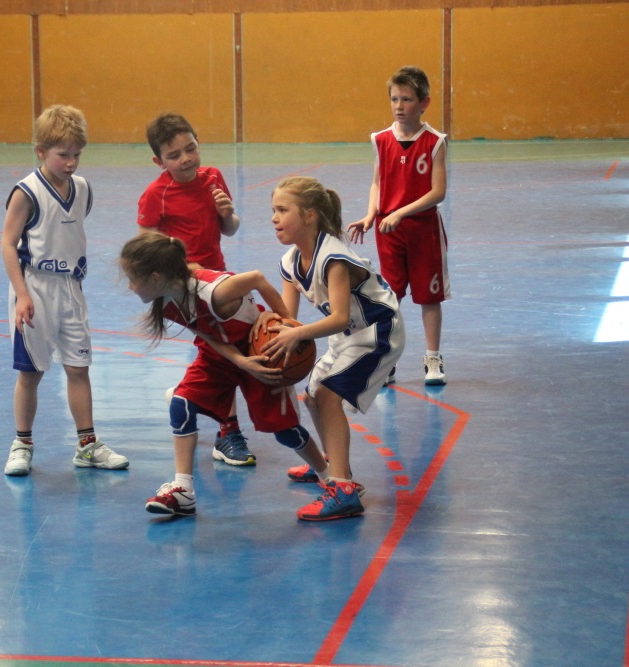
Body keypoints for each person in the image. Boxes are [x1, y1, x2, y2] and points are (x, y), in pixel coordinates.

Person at [119, 232, 335, 519]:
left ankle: (329, 476)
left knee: (285, 431)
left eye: (132, 279)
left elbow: (257, 278)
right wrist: (240, 362)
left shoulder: (215, 291)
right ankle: (183, 490)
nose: (130, 286)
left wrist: (288, 324)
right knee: (181, 403)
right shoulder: (167, 301)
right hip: (222, 355)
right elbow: (207, 335)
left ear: (156, 277)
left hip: (261, 349)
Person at [255, 177, 405, 521]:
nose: (274, 218)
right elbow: (289, 317)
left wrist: (296, 334)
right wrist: (269, 326)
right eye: (273, 210)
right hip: (348, 335)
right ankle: (332, 467)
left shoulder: (334, 258)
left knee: (327, 397)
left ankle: (343, 490)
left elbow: (339, 318)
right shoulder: (290, 261)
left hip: (377, 331)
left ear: (309, 216)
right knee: (311, 396)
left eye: (282, 210)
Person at [0, 104, 129, 476]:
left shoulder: (83, 189)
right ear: (41, 151)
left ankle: (87, 445)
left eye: (77, 154)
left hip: (71, 288)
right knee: (31, 373)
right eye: (63, 155)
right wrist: (22, 294)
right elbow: (8, 244)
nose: (71, 162)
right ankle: (22, 444)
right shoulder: (26, 192)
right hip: (34, 289)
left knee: (78, 367)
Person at [137, 112, 255, 466]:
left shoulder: (213, 177)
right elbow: (146, 253)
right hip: (183, 288)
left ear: (198, 142)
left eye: (190, 148)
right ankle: (227, 431)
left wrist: (227, 214)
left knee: (221, 349)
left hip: (217, 280)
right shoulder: (155, 195)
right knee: (222, 351)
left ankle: (190, 395)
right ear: (159, 161)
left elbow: (229, 229)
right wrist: (180, 274)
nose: (186, 159)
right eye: (174, 155)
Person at [348, 66, 450, 385]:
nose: (399, 106)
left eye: (407, 99)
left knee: (428, 297)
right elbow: (377, 182)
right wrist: (370, 214)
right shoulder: (380, 140)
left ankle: (432, 359)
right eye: (394, 99)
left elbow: (438, 192)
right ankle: (387, 361)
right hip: (389, 231)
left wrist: (401, 213)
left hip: (423, 230)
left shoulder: (435, 142)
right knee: (390, 296)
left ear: (424, 103)